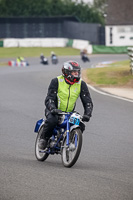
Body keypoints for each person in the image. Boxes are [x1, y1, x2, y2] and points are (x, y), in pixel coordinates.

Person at [39, 60, 93, 149]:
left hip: (69, 113)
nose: (76, 74)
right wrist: (53, 109)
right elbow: (49, 98)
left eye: (77, 72)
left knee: (81, 124)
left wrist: (87, 114)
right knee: (52, 121)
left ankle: (70, 138)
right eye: (74, 72)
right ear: (66, 72)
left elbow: (87, 101)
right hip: (54, 110)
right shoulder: (56, 81)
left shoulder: (81, 84)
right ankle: (44, 138)